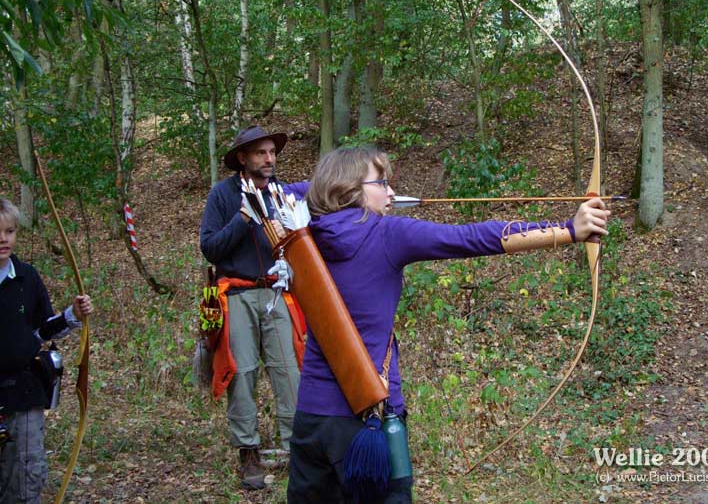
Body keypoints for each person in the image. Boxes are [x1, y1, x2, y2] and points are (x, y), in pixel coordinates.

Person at [287, 147, 610, 503]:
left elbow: (286, 191)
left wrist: (320, 187)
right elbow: (471, 237)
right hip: (365, 422)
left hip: (311, 418)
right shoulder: (386, 234)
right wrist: (567, 230)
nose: (392, 192)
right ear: (350, 189)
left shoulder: (301, 234)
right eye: (382, 183)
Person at [200, 125, 309, 490]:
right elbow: (210, 248)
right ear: (243, 158)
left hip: (277, 292)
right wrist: (243, 218)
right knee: (242, 373)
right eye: (261, 153)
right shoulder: (223, 195)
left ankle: (297, 450)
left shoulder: (281, 193)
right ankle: (248, 452)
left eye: (272, 153)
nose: (269, 159)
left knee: (288, 371)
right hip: (237, 296)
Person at [0, 197, 93, 504]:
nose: (4, 239)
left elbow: (43, 328)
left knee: (26, 473)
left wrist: (73, 315)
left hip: (25, 391)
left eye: (10, 231)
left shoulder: (27, 277)